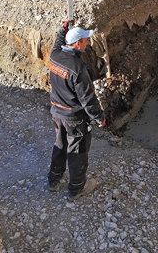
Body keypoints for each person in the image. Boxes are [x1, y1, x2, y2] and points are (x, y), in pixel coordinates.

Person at [47, 19, 105, 199]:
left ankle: (53, 180)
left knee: (60, 145)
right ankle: (77, 188)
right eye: (86, 41)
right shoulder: (78, 68)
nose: (87, 43)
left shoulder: (55, 56)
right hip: (74, 119)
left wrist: (62, 29)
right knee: (77, 152)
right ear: (78, 43)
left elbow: (58, 43)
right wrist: (99, 117)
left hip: (57, 113)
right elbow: (87, 99)